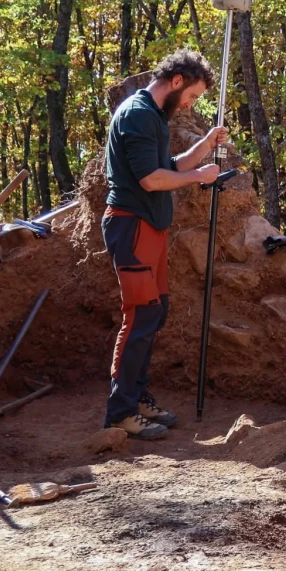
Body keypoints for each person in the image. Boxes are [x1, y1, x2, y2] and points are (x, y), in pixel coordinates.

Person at [102, 49, 228, 440]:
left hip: (149, 229)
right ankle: (120, 412)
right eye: (192, 96)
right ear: (176, 81)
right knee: (140, 317)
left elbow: (167, 167)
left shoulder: (153, 116)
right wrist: (200, 179)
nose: (190, 104)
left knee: (155, 313)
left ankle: (136, 396)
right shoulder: (138, 114)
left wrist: (205, 146)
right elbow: (151, 181)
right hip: (131, 225)